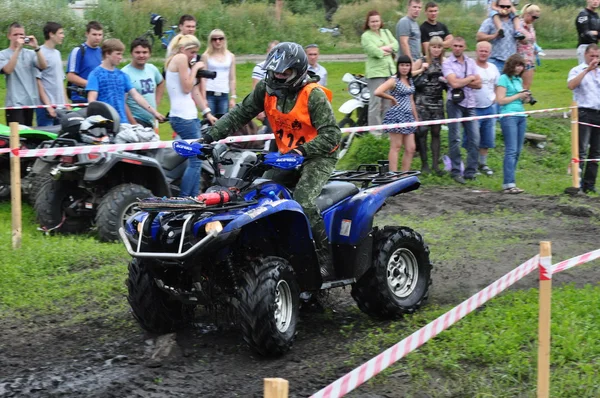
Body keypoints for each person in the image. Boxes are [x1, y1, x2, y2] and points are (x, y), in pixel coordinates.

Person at [201, 42, 341, 279]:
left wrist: (301, 152)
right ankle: (266, 250)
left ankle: (323, 256)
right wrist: (209, 137)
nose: (278, 76)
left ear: (297, 72)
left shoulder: (313, 95)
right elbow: (240, 113)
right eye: (274, 71)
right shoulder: (266, 89)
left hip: (319, 156)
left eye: (284, 73)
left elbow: (332, 136)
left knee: (303, 201)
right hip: (286, 156)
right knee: (258, 194)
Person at [165, 34, 212, 197]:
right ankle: (187, 198)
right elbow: (186, 88)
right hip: (183, 117)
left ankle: (192, 197)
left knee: (195, 160)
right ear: (183, 49)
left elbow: (194, 91)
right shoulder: (180, 58)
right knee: (196, 160)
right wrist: (196, 68)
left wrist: (207, 112)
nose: (194, 56)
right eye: (192, 52)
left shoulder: (178, 59)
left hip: (187, 116)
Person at [86, 39, 164, 125]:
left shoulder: (122, 75)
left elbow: (136, 96)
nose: (121, 57)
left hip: (123, 123)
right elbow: (92, 100)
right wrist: (98, 121)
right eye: (118, 54)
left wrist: (154, 112)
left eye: (122, 54)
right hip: (105, 124)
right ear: (107, 53)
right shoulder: (95, 74)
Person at [442, 37, 482, 184]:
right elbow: (453, 83)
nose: (457, 48)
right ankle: (456, 171)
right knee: (455, 139)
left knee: (474, 138)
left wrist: (462, 81)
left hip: (470, 103)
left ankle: (471, 171)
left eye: (460, 46)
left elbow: (479, 84)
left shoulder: (470, 62)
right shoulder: (447, 63)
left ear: (464, 47)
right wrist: (469, 78)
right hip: (454, 103)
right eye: (455, 46)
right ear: (451, 47)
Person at [374, 55, 419, 172]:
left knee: (411, 148)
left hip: (408, 116)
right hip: (397, 115)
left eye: (407, 65)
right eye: (402, 65)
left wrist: (416, 118)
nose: (405, 68)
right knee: (396, 146)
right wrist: (391, 98)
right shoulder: (394, 80)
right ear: (398, 66)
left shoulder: (410, 80)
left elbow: (411, 100)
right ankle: (393, 175)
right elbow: (378, 91)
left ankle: (404, 175)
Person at [496, 53, 530, 194]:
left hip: (521, 115)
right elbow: (500, 100)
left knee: (517, 150)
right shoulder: (503, 79)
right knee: (511, 150)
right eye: (517, 65)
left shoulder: (518, 80)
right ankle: (508, 183)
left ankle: (511, 181)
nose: (519, 68)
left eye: (521, 65)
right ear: (511, 65)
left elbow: (520, 100)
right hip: (509, 116)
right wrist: (518, 95)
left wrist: (525, 98)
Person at [0, 22, 47, 126]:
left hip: (30, 102)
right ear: (9, 36)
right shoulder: (3, 54)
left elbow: (43, 66)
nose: (19, 37)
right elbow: (8, 70)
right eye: (15, 35)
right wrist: (17, 49)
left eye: (21, 34)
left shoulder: (30, 53)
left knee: (28, 135)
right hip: (14, 103)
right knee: (16, 136)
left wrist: (36, 48)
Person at [567, 44, 600, 194]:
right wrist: (587, 70)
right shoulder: (577, 70)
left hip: (598, 111)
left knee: (596, 152)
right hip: (584, 111)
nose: (594, 59)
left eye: (597, 56)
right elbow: (571, 85)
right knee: (580, 150)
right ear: (585, 55)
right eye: (591, 56)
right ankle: (577, 184)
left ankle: (589, 184)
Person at [361, 10, 399, 133]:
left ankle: (386, 133)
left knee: (388, 102)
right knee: (375, 104)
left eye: (377, 21)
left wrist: (383, 48)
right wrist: (387, 49)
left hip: (389, 72)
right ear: (368, 23)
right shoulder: (366, 36)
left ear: (380, 21)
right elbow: (375, 52)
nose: (375, 23)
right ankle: (375, 134)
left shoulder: (386, 32)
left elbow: (396, 45)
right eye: (372, 21)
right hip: (375, 74)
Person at [412, 36, 446, 174]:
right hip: (423, 101)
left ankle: (436, 165)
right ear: (429, 47)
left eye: (439, 47)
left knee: (436, 133)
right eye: (434, 47)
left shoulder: (445, 62)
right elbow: (408, 75)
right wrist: (421, 70)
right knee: (422, 133)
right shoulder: (422, 61)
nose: (436, 50)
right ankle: (424, 164)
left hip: (437, 101)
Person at [122, 38, 165, 128]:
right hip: (136, 120)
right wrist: (134, 124)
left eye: (145, 52)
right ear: (131, 53)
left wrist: (156, 104)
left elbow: (161, 82)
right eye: (137, 52)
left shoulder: (152, 69)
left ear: (150, 54)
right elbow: (122, 102)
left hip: (150, 120)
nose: (141, 55)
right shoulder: (124, 73)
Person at [472, 41, 500, 176]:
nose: (483, 53)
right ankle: (472, 164)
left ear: (490, 53)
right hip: (474, 107)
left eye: (486, 51)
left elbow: (497, 84)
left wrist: (494, 97)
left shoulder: (493, 68)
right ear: (476, 51)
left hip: (490, 107)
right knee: (473, 138)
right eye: (481, 50)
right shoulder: (471, 66)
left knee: (487, 138)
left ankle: (483, 163)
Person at [36, 22, 68, 127]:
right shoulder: (40, 53)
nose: (63, 36)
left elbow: (61, 80)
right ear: (51, 34)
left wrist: (67, 103)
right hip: (46, 108)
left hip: (60, 106)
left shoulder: (57, 53)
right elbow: (38, 82)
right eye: (60, 33)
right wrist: (48, 106)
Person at [201, 29, 237, 117]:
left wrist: (233, 97)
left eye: (220, 39)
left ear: (224, 40)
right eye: (214, 39)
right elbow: (203, 78)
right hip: (210, 93)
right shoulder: (206, 56)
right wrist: (203, 98)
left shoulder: (230, 56)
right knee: (209, 122)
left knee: (223, 123)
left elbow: (232, 78)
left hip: (224, 93)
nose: (218, 41)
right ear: (211, 41)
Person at [476, 0, 519, 73]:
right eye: (502, 6)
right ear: (497, 6)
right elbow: (479, 37)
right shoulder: (489, 21)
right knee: (495, 84)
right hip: (495, 61)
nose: (505, 8)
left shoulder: (515, 22)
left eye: (508, 6)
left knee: (509, 84)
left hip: (511, 62)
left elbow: (524, 40)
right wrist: (494, 36)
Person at [66, 21, 103, 104]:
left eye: (100, 35)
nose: (97, 37)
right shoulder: (78, 51)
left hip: (98, 99)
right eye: (94, 34)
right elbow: (70, 76)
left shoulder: (102, 52)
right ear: (87, 34)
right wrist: (91, 85)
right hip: (80, 99)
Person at [517, 4, 541, 90]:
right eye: (533, 17)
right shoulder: (518, 25)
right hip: (521, 59)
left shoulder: (531, 26)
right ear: (527, 14)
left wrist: (536, 48)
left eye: (537, 18)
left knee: (527, 87)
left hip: (530, 59)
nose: (534, 20)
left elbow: (532, 41)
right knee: (520, 87)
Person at [575, 0, 600, 64]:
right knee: (585, 69)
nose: (595, 2)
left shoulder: (595, 16)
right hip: (585, 46)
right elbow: (585, 33)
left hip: (594, 47)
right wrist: (597, 34)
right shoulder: (583, 14)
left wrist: (596, 33)